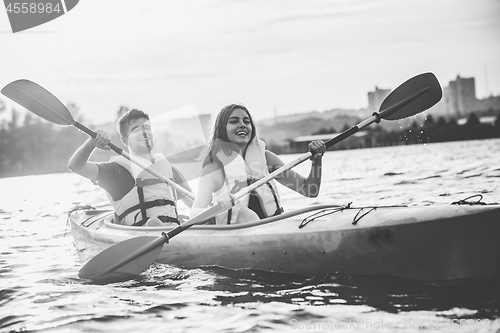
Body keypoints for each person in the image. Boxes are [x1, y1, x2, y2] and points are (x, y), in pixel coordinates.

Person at [190, 104, 326, 224]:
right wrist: (216, 208)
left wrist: (316, 162)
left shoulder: (267, 159)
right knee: (246, 215)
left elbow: (310, 190)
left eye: (246, 121)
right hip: (236, 232)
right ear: (222, 129)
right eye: (234, 121)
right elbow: (193, 215)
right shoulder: (214, 168)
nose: (242, 124)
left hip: (272, 226)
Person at [68, 109, 192, 226]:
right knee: (153, 223)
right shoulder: (116, 171)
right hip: (139, 236)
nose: (144, 132)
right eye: (136, 129)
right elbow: (76, 166)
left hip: (174, 234)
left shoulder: (169, 170)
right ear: (124, 140)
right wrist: (91, 144)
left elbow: (195, 205)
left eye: (147, 127)